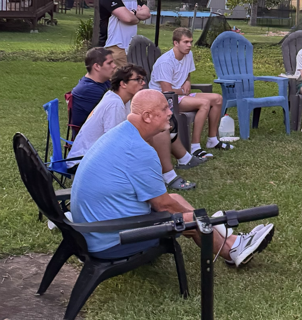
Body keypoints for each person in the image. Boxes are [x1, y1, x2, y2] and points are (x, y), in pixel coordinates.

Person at [70, 90, 274, 267]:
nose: (170, 112)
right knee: (188, 219)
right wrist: (203, 220)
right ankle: (231, 250)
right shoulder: (139, 150)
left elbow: (166, 200)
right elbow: (163, 206)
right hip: (110, 241)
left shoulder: (122, 133)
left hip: (92, 231)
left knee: (175, 198)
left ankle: (232, 241)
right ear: (148, 116)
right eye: (164, 109)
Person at [70, 64, 201, 190]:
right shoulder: (114, 104)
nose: (143, 83)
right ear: (123, 84)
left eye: (143, 79)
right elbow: (113, 142)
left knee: (159, 127)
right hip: (84, 161)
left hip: (95, 155)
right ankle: (168, 175)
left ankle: (177, 165)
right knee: (159, 131)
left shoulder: (123, 100)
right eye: (137, 80)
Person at [150, 27, 229, 156]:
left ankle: (212, 139)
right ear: (176, 43)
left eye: (191, 42)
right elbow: (167, 91)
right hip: (165, 100)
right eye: (185, 42)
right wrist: (182, 90)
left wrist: (187, 81)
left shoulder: (188, 55)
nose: (189, 45)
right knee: (204, 103)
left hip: (181, 95)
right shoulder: (165, 62)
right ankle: (195, 147)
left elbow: (187, 74)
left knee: (217, 99)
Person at [97, 0, 151, 66]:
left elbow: (147, 13)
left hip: (130, 47)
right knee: (117, 81)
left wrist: (133, 13)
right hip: (114, 47)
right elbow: (128, 19)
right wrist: (137, 17)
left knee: (129, 80)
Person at [70, 47, 116, 132]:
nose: (114, 66)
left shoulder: (103, 82)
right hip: (90, 141)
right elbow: (113, 112)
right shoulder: (88, 90)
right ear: (97, 66)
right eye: (109, 63)